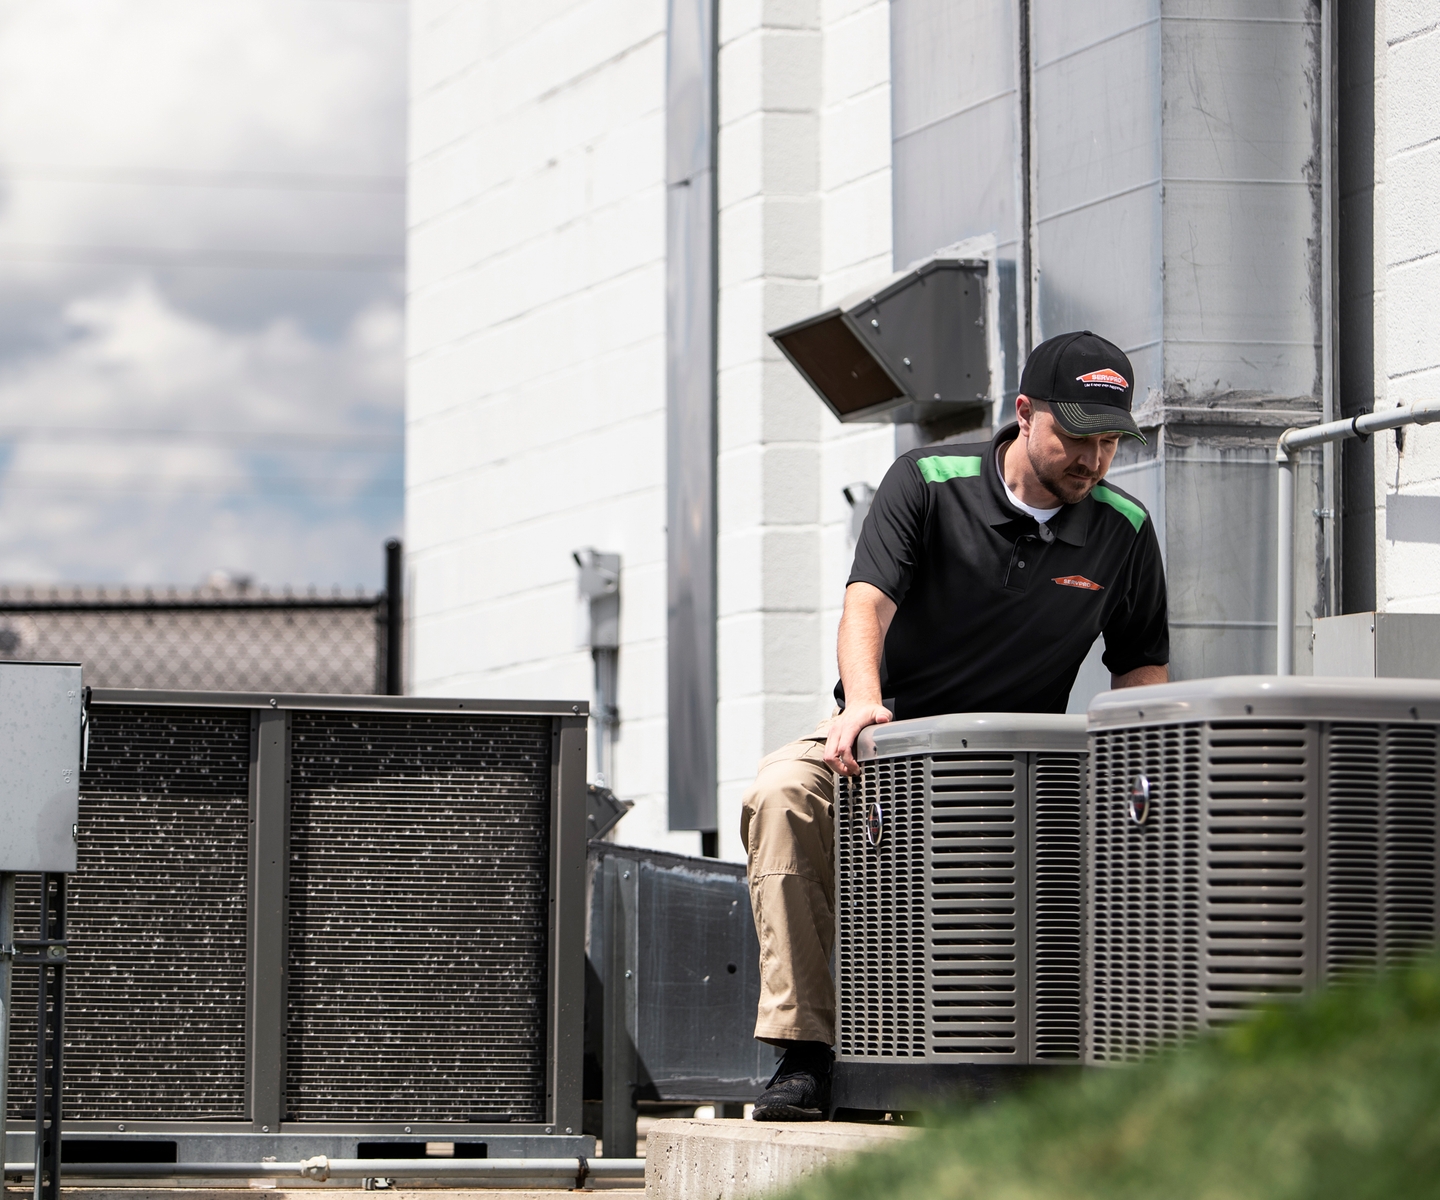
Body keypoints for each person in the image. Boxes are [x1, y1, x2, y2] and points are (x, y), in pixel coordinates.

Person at [741, 330, 1169, 1120]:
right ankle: (805, 1058)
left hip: (1023, 766)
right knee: (782, 795)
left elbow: (1140, 669)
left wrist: (1140, 778)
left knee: (1154, 819)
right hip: (887, 744)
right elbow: (866, 601)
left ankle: (1107, 1063)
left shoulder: (1124, 529)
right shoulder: (927, 481)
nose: (1093, 459)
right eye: (1076, 437)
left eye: (1110, 441)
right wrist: (862, 706)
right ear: (1024, 413)